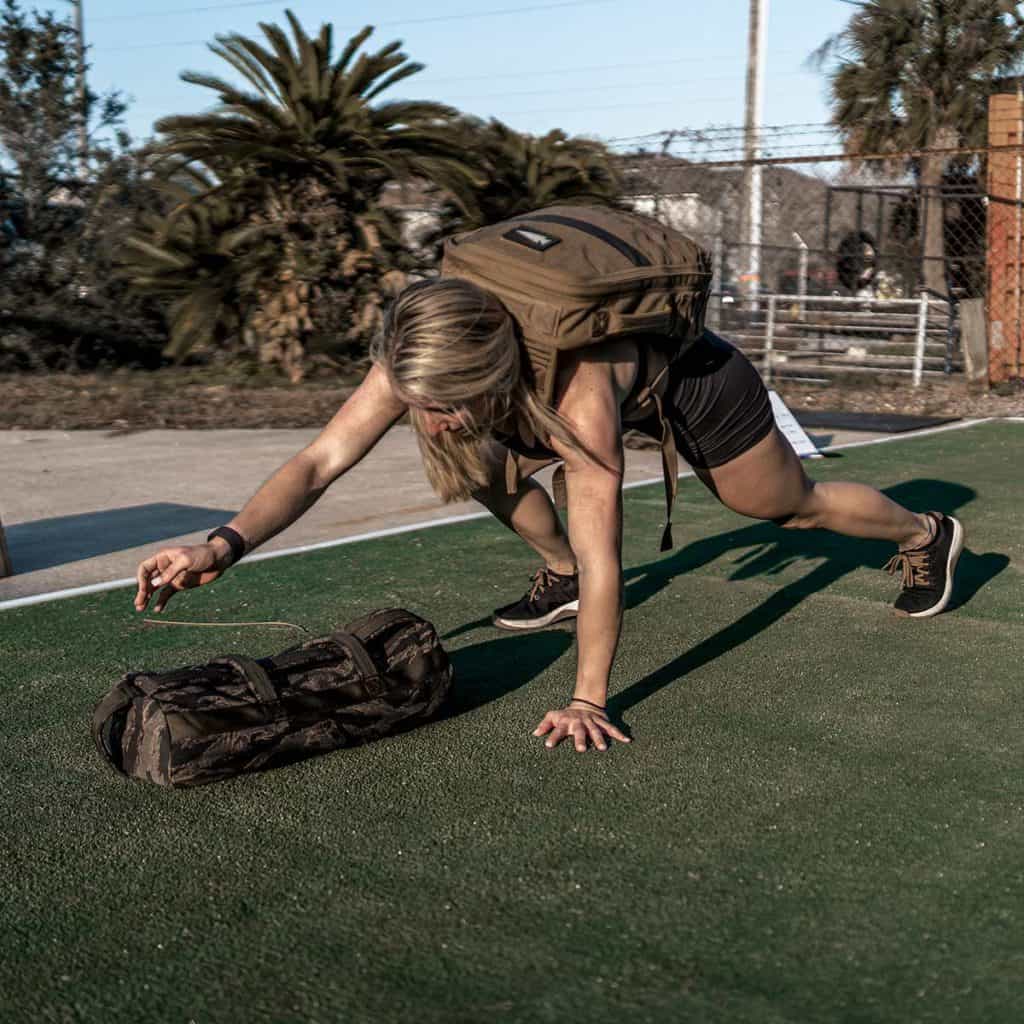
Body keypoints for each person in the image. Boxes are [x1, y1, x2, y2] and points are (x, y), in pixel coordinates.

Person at [134, 277, 964, 755]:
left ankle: (926, 534)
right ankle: (552, 578)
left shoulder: (579, 394)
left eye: (443, 406)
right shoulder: (422, 362)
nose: (423, 421)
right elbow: (318, 463)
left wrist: (589, 698)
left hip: (698, 386)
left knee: (783, 507)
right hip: (542, 399)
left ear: (492, 376)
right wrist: (222, 543)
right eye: (413, 403)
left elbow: (613, 554)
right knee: (477, 463)